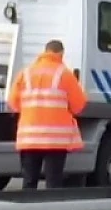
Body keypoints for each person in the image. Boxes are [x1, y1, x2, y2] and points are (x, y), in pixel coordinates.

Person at [7, 39, 88, 190]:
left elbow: (13, 104)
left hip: (29, 138)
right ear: (61, 54)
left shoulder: (26, 73)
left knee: (29, 182)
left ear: (44, 52)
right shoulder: (65, 74)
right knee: (53, 183)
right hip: (55, 140)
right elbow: (79, 106)